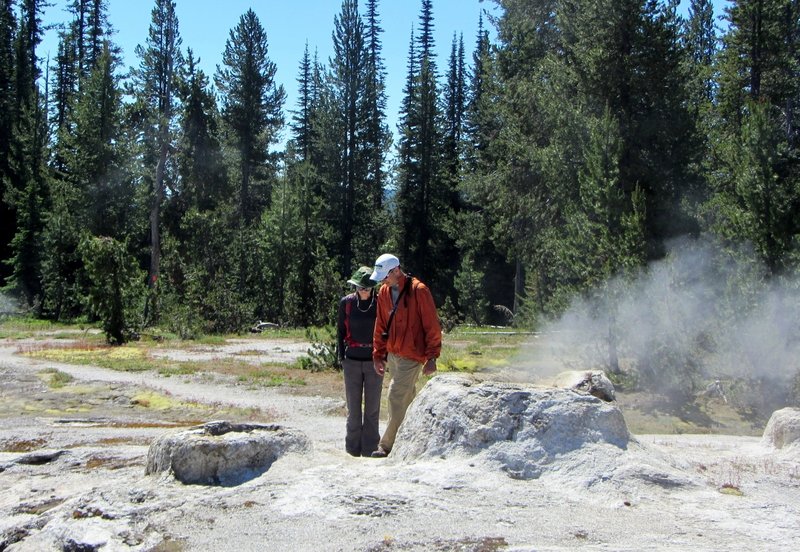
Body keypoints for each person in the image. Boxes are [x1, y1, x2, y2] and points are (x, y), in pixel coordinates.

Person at [369, 253, 442, 458]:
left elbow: (432, 326)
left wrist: (432, 357)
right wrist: (378, 354)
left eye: (385, 275)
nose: (382, 280)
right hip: (393, 353)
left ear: (396, 271)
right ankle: (417, 436)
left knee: (395, 396)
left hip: (412, 355)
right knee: (407, 398)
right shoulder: (383, 292)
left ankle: (387, 446)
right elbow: (380, 324)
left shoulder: (419, 291)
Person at [336, 266, 383, 457]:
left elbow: (385, 331)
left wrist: (383, 357)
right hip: (352, 361)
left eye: (367, 287)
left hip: (374, 361)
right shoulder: (346, 303)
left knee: (372, 409)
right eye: (359, 287)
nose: (363, 290)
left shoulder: (381, 303)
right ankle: (352, 448)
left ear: (373, 287)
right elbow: (340, 331)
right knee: (353, 409)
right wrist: (341, 357)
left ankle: (370, 448)